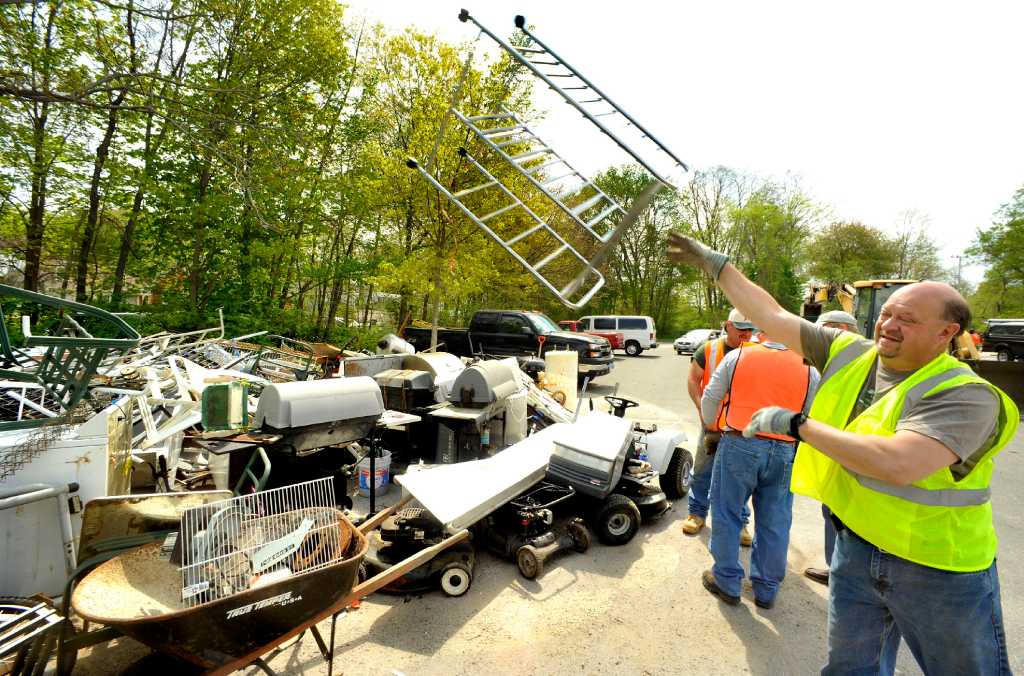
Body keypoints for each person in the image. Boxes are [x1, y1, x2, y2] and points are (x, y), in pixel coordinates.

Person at [667, 232, 1018, 674]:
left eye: (906, 319)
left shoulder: (967, 395)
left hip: (937, 569)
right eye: (887, 313)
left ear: (947, 332)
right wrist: (719, 268)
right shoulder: (852, 352)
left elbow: (898, 463)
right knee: (850, 670)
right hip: (855, 550)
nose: (888, 324)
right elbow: (771, 315)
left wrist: (798, 425)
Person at [699, 329, 817, 608]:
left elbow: (710, 397)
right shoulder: (808, 367)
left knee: (727, 512)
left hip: (740, 442)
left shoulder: (739, 356)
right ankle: (766, 589)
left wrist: (712, 426)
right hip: (784, 448)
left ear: (760, 334)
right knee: (775, 519)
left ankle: (727, 581)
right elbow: (810, 411)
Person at [682, 308, 753, 546]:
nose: (746, 334)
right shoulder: (709, 349)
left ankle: (741, 521)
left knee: (740, 475)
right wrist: (701, 409)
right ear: (728, 325)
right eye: (741, 329)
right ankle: (697, 513)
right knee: (703, 469)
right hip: (712, 423)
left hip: (743, 426)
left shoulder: (757, 351)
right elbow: (693, 380)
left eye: (749, 330)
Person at [803, 310, 859, 587]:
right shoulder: (836, 363)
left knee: (850, 521)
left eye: (822, 332)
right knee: (832, 514)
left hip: (857, 461)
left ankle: (847, 575)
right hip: (835, 457)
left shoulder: (861, 364)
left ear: (840, 330)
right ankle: (835, 569)